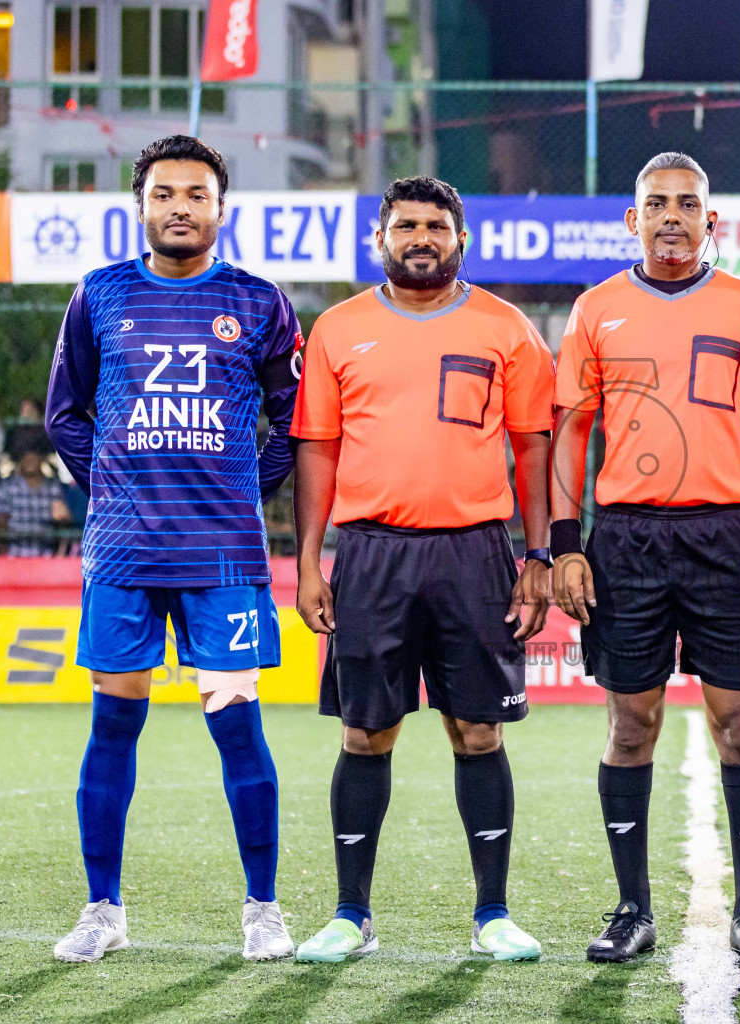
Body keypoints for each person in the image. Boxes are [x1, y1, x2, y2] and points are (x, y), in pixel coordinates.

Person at [45, 135, 302, 963]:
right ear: (142, 204)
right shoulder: (99, 294)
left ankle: (263, 908)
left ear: (221, 209)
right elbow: (65, 415)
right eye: (165, 194)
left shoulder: (260, 302)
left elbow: (292, 417)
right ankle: (102, 909)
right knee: (113, 725)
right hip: (122, 553)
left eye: (196, 194)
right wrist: (115, 488)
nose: (180, 206)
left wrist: (244, 487)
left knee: (236, 728)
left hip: (224, 554)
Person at [290, 176, 553, 964]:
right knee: (366, 731)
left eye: (436, 224)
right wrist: (309, 561)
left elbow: (534, 444)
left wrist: (537, 555)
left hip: (475, 550)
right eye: (405, 224)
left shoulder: (506, 328)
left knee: (477, 731)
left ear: (460, 239)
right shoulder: (338, 329)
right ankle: (350, 914)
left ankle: (493, 915)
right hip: (371, 554)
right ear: (382, 239)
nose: (421, 236)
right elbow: (318, 449)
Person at [551, 152, 740, 966]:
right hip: (624, 539)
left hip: (725, 535)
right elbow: (570, 434)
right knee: (632, 725)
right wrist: (565, 544)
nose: (670, 216)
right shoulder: (595, 310)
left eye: (686, 204)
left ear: (710, 220)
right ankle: (631, 909)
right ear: (632, 218)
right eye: (655, 203)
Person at [0, 449, 71, 557]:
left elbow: (63, 523)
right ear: (19, 460)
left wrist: (64, 518)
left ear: (42, 459)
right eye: (25, 458)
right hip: (14, 553)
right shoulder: (6, 488)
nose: (30, 461)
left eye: (34, 457)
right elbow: (0, 523)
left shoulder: (53, 487)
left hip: (47, 553)